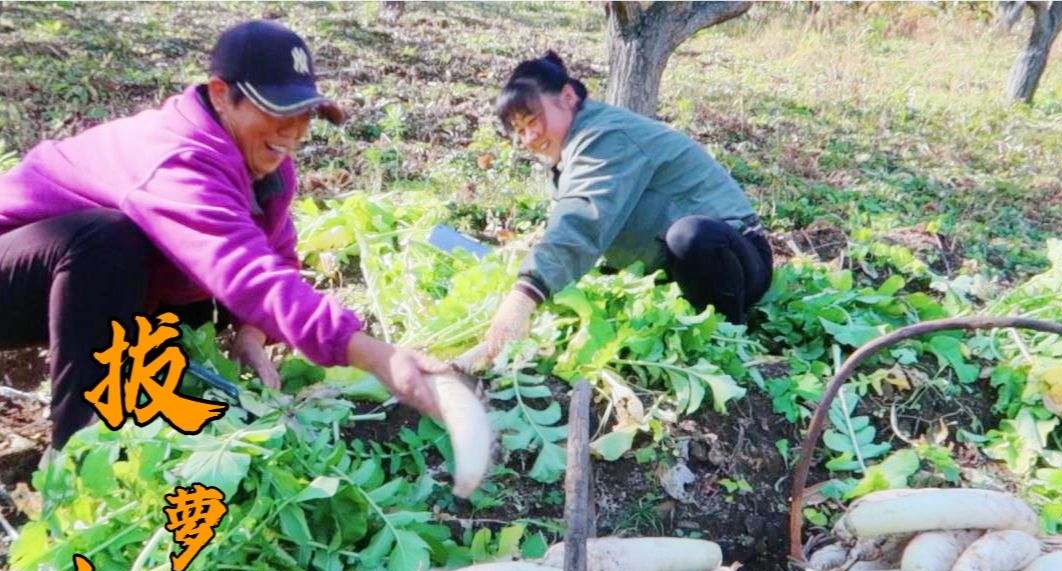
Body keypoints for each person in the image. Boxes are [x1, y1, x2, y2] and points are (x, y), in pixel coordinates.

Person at [0, 20, 446, 450]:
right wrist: (377, 356)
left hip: (72, 287)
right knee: (108, 240)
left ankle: (136, 407)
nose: (293, 132)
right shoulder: (177, 157)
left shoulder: (264, 165)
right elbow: (245, 272)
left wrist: (252, 333)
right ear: (220, 95)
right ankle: (78, 453)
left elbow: (277, 260)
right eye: (276, 110)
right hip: (22, 270)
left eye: (304, 113)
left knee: (192, 290)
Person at [482, 51, 772, 359]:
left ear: (567, 96)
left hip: (737, 261)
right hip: (670, 270)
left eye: (533, 120)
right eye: (520, 130)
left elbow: (583, 217)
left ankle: (727, 341)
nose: (530, 137)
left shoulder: (605, 135)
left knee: (691, 235)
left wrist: (524, 296)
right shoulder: (570, 151)